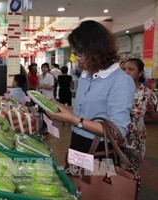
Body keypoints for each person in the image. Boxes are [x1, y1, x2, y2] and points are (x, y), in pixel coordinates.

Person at [46, 20, 135, 157]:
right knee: (73, 178)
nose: (77, 58)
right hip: (77, 142)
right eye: (75, 52)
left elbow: (117, 132)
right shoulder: (86, 75)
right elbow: (84, 114)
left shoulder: (121, 81)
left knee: (95, 179)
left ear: (96, 50)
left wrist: (74, 120)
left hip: (100, 148)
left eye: (80, 53)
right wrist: (61, 108)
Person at [120, 58, 158, 171]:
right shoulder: (116, 90)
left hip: (135, 143)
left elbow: (154, 115)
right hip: (114, 141)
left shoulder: (146, 93)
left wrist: (138, 119)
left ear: (140, 73)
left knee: (131, 174)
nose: (126, 72)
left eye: (131, 69)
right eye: (124, 69)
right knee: (110, 174)